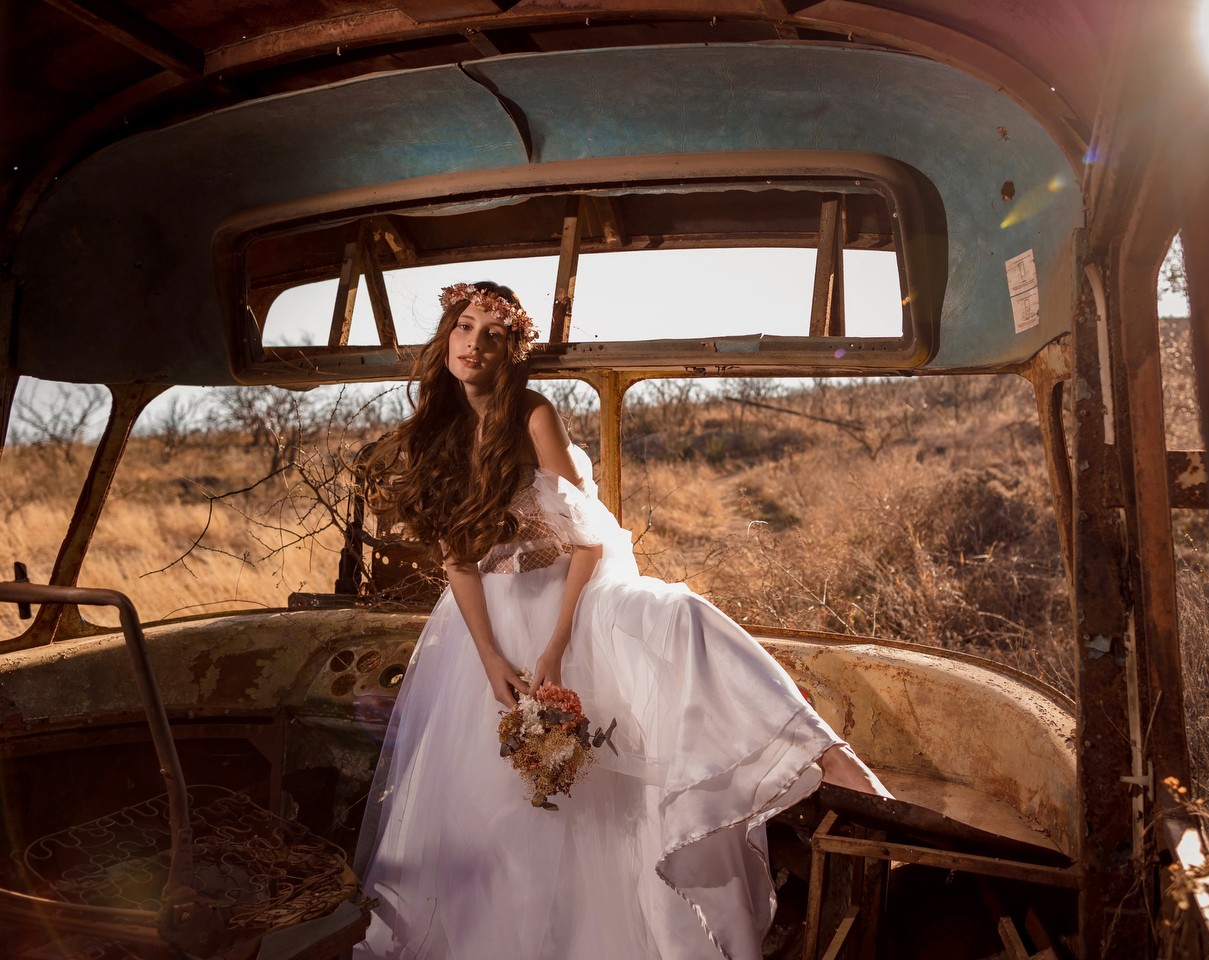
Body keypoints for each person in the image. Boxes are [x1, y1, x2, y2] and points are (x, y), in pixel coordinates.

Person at [353, 281, 888, 960]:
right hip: (486, 616)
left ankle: (827, 758)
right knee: (515, 801)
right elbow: (458, 560)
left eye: (492, 334)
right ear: (446, 337)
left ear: (510, 350)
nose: (474, 344)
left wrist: (555, 645)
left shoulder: (534, 416)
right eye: (464, 327)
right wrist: (489, 654)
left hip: (572, 591)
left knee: (679, 616)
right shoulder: (438, 430)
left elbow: (587, 543)